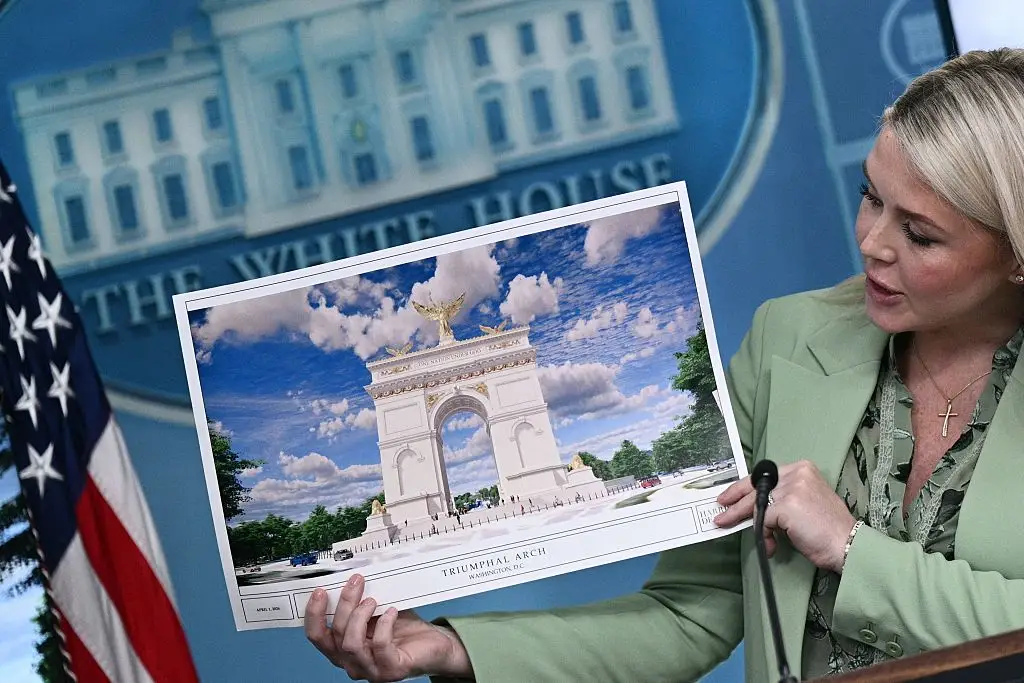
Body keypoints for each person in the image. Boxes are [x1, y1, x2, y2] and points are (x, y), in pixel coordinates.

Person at [303, 48, 1024, 681]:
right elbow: (692, 613)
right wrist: (452, 649)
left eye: (921, 235)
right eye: (871, 195)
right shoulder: (789, 338)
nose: (872, 242)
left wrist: (850, 548)